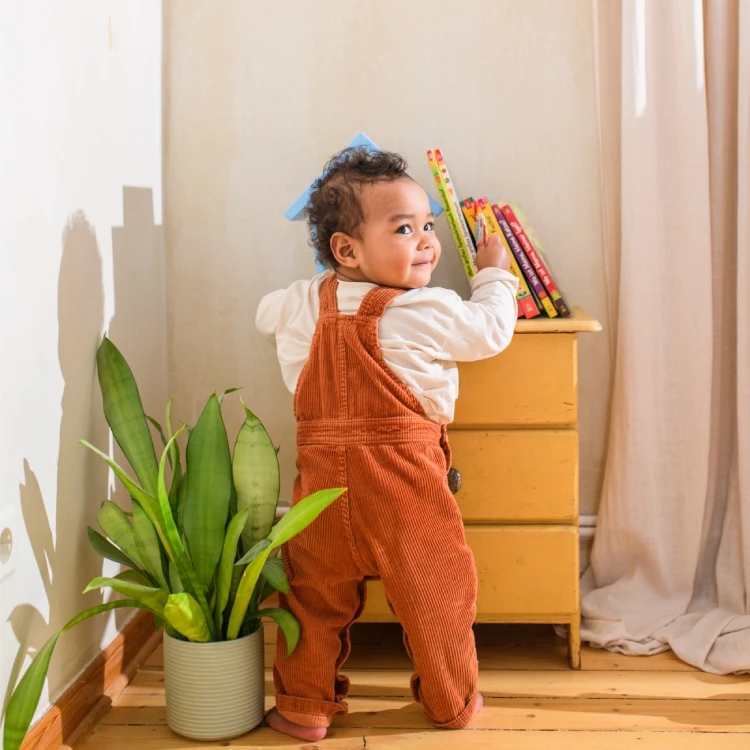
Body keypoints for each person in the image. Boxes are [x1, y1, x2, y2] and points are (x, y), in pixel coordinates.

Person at [256, 146, 517, 741]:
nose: (426, 240)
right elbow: (491, 331)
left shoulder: (303, 302)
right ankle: (451, 702)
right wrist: (494, 272)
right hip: (403, 493)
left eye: (428, 225)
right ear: (347, 248)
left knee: (313, 601)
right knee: (436, 597)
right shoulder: (426, 308)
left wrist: (313, 293)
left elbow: (264, 313)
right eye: (405, 228)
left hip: (320, 497)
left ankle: (302, 706)